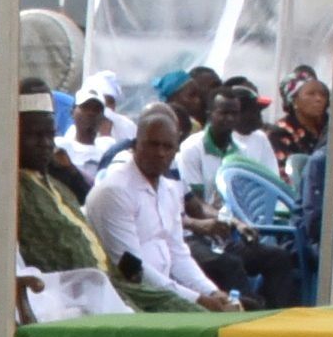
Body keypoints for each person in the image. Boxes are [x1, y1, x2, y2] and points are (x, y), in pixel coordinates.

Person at [81, 105, 243, 312]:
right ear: (135, 145)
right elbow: (131, 269)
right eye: (152, 144)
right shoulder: (114, 192)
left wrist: (211, 292)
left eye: (168, 147)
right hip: (127, 300)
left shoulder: (170, 190)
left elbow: (178, 254)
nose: (160, 153)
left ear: (176, 151)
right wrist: (198, 300)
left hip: (164, 296)